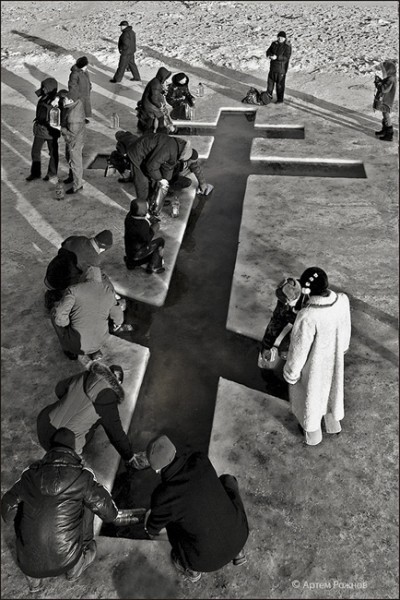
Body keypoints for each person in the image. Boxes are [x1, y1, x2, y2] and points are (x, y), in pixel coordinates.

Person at [1, 428, 118, 593]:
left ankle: (35, 584)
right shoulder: (83, 476)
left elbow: (7, 513)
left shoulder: (29, 475)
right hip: (68, 560)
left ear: (50, 449)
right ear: (74, 450)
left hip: (30, 564)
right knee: (88, 502)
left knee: (24, 503)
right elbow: (110, 514)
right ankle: (74, 570)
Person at [144, 435, 249, 583]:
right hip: (240, 535)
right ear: (174, 450)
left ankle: (191, 569)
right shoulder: (200, 459)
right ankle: (238, 553)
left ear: (156, 470)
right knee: (227, 481)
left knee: (172, 525)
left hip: (205, 561)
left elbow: (152, 529)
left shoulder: (162, 497)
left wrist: (152, 514)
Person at [283, 267, 351, 446]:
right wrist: (342, 349)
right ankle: (333, 424)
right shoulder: (341, 301)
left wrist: (291, 373)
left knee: (312, 397)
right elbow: (345, 329)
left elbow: (299, 350)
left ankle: (313, 434)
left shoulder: (307, 316)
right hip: (334, 361)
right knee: (332, 391)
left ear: (307, 290)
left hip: (313, 367)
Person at [36, 363, 144, 470]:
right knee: (93, 427)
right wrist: (129, 457)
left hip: (43, 425)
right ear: (118, 384)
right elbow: (117, 435)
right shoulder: (108, 400)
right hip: (61, 447)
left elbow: (59, 389)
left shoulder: (86, 376)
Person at [124, 132, 212, 212]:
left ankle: (155, 201)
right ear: (186, 158)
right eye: (191, 163)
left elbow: (168, 168)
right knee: (142, 185)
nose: (192, 164)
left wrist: (203, 184)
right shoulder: (171, 150)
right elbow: (151, 166)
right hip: (137, 154)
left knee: (160, 181)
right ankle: (143, 211)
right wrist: (160, 179)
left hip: (149, 157)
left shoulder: (180, 150)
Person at [50, 265, 124, 361]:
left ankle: (69, 350)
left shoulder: (73, 290)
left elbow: (59, 319)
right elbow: (118, 319)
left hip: (76, 345)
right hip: (100, 342)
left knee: (54, 312)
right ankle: (95, 352)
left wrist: (68, 324)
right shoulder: (108, 292)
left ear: (84, 277)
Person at [44, 230, 114, 308]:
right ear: (103, 249)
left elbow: (63, 244)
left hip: (51, 270)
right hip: (60, 282)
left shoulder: (78, 238)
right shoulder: (94, 259)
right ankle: (56, 299)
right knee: (85, 284)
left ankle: (54, 294)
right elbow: (95, 277)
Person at [259, 276, 306, 381]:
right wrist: (266, 346)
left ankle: (300, 373)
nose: (286, 305)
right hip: (299, 321)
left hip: (311, 328)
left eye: (288, 303)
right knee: (283, 352)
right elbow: (277, 321)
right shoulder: (286, 297)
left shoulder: (311, 304)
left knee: (286, 352)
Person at [26, 77, 60, 182]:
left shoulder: (54, 101)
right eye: (43, 87)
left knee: (53, 153)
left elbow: (56, 118)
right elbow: (39, 93)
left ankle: (52, 173)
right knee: (35, 152)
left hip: (50, 131)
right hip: (40, 130)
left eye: (45, 87)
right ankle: (35, 173)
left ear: (50, 88)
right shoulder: (44, 97)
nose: (43, 89)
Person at [124, 200, 165, 274]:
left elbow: (142, 215)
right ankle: (154, 266)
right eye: (146, 208)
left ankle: (130, 263)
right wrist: (154, 229)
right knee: (160, 241)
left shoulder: (128, 217)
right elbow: (146, 239)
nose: (147, 209)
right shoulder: (143, 225)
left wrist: (147, 216)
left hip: (129, 253)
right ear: (142, 212)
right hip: (137, 256)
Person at [58, 89, 86, 194]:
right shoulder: (76, 104)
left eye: (65, 99)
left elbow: (71, 136)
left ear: (71, 100)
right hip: (75, 138)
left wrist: (60, 128)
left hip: (74, 141)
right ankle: (72, 177)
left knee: (75, 163)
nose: (63, 100)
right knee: (69, 158)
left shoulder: (73, 118)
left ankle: (77, 185)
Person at [137, 67, 174, 133]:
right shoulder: (156, 84)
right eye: (165, 78)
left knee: (151, 119)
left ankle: (147, 130)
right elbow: (154, 98)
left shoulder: (156, 81)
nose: (165, 80)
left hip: (148, 103)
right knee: (160, 117)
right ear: (162, 76)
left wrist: (162, 91)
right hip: (150, 105)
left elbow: (155, 92)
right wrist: (160, 106)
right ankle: (160, 131)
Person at [265, 31, 292, 103]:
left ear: (285, 38)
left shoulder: (287, 46)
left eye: (282, 38)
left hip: (281, 69)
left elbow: (286, 57)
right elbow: (268, 51)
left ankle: (280, 100)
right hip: (272, 68)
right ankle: (268, 97)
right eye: (279, 37)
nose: (280, 39)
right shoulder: (274, 43)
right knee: (270, 84)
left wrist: (277, 57)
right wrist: (270, 55)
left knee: (279, 85)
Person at [374, 60, 397, 142]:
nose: (383, 72)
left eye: (384, 70)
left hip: (387, 101)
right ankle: (385, 129)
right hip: (385, 100)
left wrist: (378, 83)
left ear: (388, 70)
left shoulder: (391, 79)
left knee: (386, 115)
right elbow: (384, 84)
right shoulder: (390, 77)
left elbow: (384, 89)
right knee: (384, 115)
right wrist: (380, 80)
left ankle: (389, 133)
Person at [68, 56, 92, 122]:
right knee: (78, 107)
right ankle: (77, 120)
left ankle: (83, 118)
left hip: (85, 93)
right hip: (78, 95)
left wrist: (89, 86)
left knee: (84, 107)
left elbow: (87, 80)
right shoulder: (75, 74)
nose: (86, 67)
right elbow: (72, 85)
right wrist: (74, 96)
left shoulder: (85, 72)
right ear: (82, 66)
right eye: (85, 66)